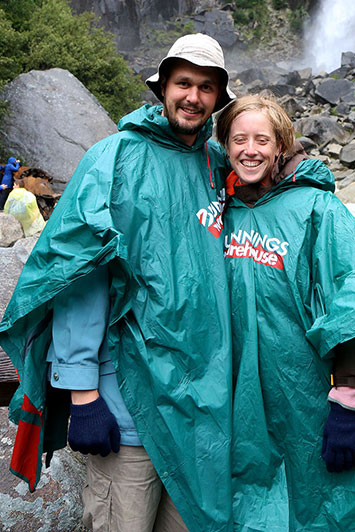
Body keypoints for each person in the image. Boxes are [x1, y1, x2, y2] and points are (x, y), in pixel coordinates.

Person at [0, 34, 236, 532]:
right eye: (183, 83)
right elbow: (79, 275)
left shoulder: (218, 165)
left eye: (206, 87)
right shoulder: (115, 159)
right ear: (163, 87)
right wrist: (83, 394)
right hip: (128, 410)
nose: (193, 96)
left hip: (199, 414)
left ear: (219, 98)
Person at [216, 94, 355, 532]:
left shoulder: (317, 210)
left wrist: (349, 400)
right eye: (239, 139)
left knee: (327, 505)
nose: (250, 150)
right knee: (253, 504)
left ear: (280, 146)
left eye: (262, 139)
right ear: (224, 146)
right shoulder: (220, 212)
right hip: (241, 402)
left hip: (309, 397)